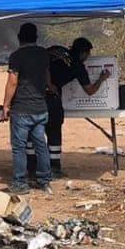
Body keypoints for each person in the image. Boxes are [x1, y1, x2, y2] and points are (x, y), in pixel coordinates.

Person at [37, 37, 111, 178]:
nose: (87, 57)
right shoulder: (78, 66)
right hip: (51, 98)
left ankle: (32, 167)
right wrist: (102, 79)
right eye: (88, 54)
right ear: (83, 53)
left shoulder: (57, 49)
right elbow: (89, 91)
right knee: (53, 132)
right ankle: (54, 168)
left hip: (32, 95)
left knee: (34, 132)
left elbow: (40, 62)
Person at [1, 22, 53, 194]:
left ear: (19, 38)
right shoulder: (44, 54)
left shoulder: (16, 56)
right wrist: (51, 88)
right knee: (41, 145)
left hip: (22, 109)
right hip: (40, 108)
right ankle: (45, 181)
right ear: (36, 37)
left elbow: (13, 81)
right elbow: (47, 77)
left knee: (19, 147)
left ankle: (20, 183)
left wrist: (6, 105)